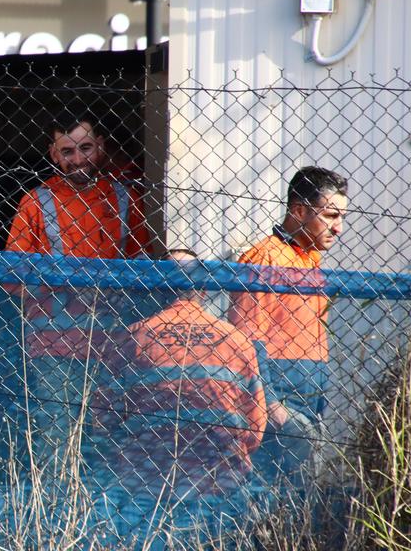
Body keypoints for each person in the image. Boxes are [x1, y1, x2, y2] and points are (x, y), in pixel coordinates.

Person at [4, 116, 152, 466]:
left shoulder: (125, 199)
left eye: (85, 148)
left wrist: (117, 290)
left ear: (100, 147)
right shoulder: (35, 202)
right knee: (58, 437)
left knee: (111, 437)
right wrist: (65, 289)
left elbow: (144, 270)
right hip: (53, 345)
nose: (78, 159)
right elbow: (11, 279)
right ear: (53, 154)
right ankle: (57, 507)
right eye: (67, 151)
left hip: (113, 344)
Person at [95, 250, 267, 543]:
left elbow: (103, 420)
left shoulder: (131, 336)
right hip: (218, 475)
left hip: (145, 476)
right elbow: (255, 427)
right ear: (202, 289)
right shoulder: (236, 340)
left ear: (157, 286)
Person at [228, 166, 348, 477]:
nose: (339, 228)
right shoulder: (266, 258)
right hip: (281, 388)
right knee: (268, 481)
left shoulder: (310, 258)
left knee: (297, 485)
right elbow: (246, 338)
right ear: (298, 210)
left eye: (342, 217)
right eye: (331, 216)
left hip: (310, 387)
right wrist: (269, 404)